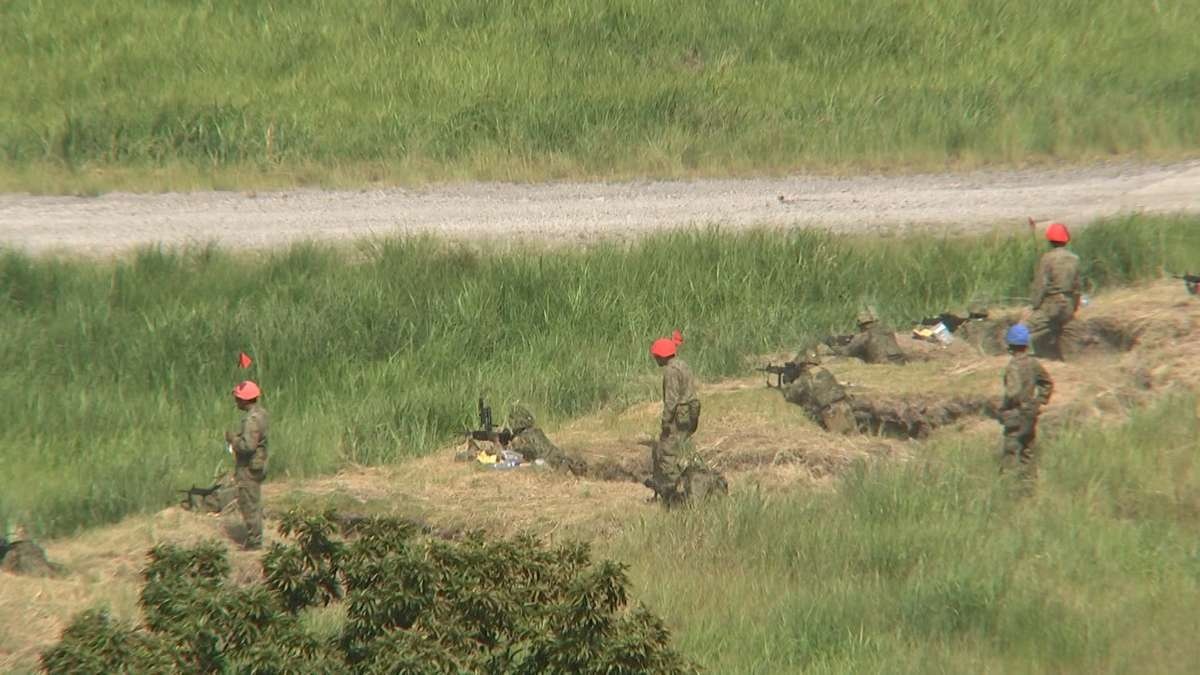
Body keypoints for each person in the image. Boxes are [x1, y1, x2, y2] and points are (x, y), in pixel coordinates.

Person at [648, 331, 702, 504]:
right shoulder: (682, 365)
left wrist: (665, 421)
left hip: (679, 417)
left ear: (662, 356)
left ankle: (675, 496)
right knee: (679, 450)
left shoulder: (671, 371)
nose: (655, 359)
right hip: (690, 414)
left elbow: (671, 401)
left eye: (656, 356)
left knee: (667, 454)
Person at [997, 325, 1054, 484]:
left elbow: (1012, 393)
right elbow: (1047, 383)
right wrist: (1039, 401)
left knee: (1011, 451)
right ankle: (1029, 483)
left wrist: (1004, 409)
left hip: (1016, 413)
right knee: (1028, 449)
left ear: (1010, 345)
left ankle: (1007, 485)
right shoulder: (1033, 363)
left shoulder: (1013, 365)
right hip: (1030, 412)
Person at [1027, 222, 1082, 360]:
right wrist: (1074, 307)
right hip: (1069, 304)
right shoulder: (1075, 259)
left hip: (1052, 304)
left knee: (1023, 329)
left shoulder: (1047, 258)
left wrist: (1034, 305)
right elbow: (1077, 286)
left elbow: (1040, 285)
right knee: (1063, 328)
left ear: (1050, 241)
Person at [225, 380, 269, 550]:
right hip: (258, 464)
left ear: (244, 400)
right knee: (253, 502)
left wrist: (233, 440)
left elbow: (248, 446)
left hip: (249, 467)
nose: (236, 401)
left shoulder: (251, 419)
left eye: (238, 398)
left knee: (249, 503)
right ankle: (255, 537)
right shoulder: (261, 414)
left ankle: (254, 542)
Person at [782, 350, 857, 434]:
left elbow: (789, 396)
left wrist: (787, 383)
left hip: (831, 415)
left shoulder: (805, 378)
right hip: (844, 407)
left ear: (803, 363)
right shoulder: (824, 371)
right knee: (853, 435)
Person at [506, 405, 587, 476]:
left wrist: (512, 448)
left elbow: (525, 453)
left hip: (549, 462)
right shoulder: (536, 431)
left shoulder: (525, 436)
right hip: (556, 456)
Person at [834, 309, 908, 364]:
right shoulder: (888, 331)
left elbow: (846, 352)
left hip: (884, 363)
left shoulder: (865, 335)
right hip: (900, 360)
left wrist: (833, 347)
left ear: (861, 325)